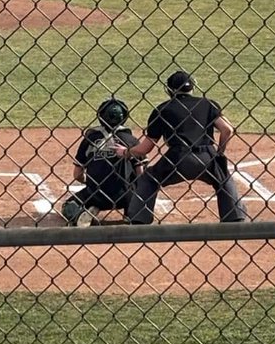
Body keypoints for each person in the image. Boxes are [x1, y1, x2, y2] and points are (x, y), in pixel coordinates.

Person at [118, 71, 248, 225]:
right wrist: (219, 154)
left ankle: (139, 219)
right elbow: (227, 130)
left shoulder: (163, 109)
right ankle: (234, 217)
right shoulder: (207, 104)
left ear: (170, 90)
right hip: (206, 155)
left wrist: (126, 152)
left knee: (149, 179)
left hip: (177, 158)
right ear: (192, 87)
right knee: (223, 178)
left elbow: (145, 149)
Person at [61, 98, 141, 227]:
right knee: (139, 190)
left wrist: (91, 183)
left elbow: (77, 174)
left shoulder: (90, 139)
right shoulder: (131, 140)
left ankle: (81, 213)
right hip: (125, 195)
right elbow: (140, 174)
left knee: (68, 206)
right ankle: (132, 213)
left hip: (96, 194)